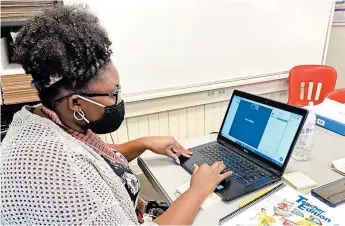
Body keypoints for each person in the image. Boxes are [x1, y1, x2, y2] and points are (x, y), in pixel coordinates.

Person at [0, 5, 232, 225]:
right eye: (112, 93)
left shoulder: (42, 117)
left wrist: (144, 143)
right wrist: (198, 189)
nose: (117, 101)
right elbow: (79, 166)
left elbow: (95, 158)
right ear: (76, 103)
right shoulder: (57, 169)